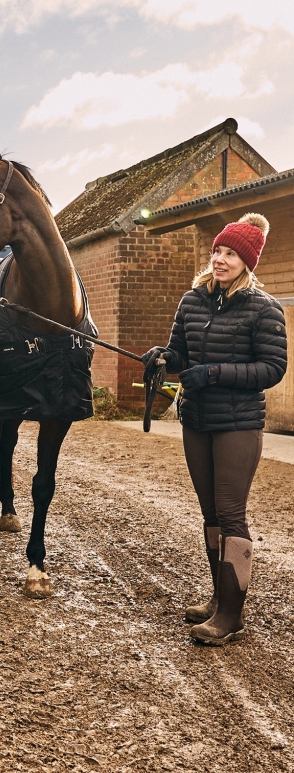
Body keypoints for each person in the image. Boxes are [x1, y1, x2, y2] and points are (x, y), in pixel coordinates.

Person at [142, 212, 287, 645]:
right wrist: (162, 357)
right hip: (197, 420)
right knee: (210, 515)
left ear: (247, 262)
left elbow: (273, 368)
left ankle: (231, 615)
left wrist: (217, 372)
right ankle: (218, 599)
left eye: (230, 254)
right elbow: (180, 352)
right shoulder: (193, 300)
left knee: (231, 513)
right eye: (217, 251)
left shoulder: (264, 308)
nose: (220, 259)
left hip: (238, 424)